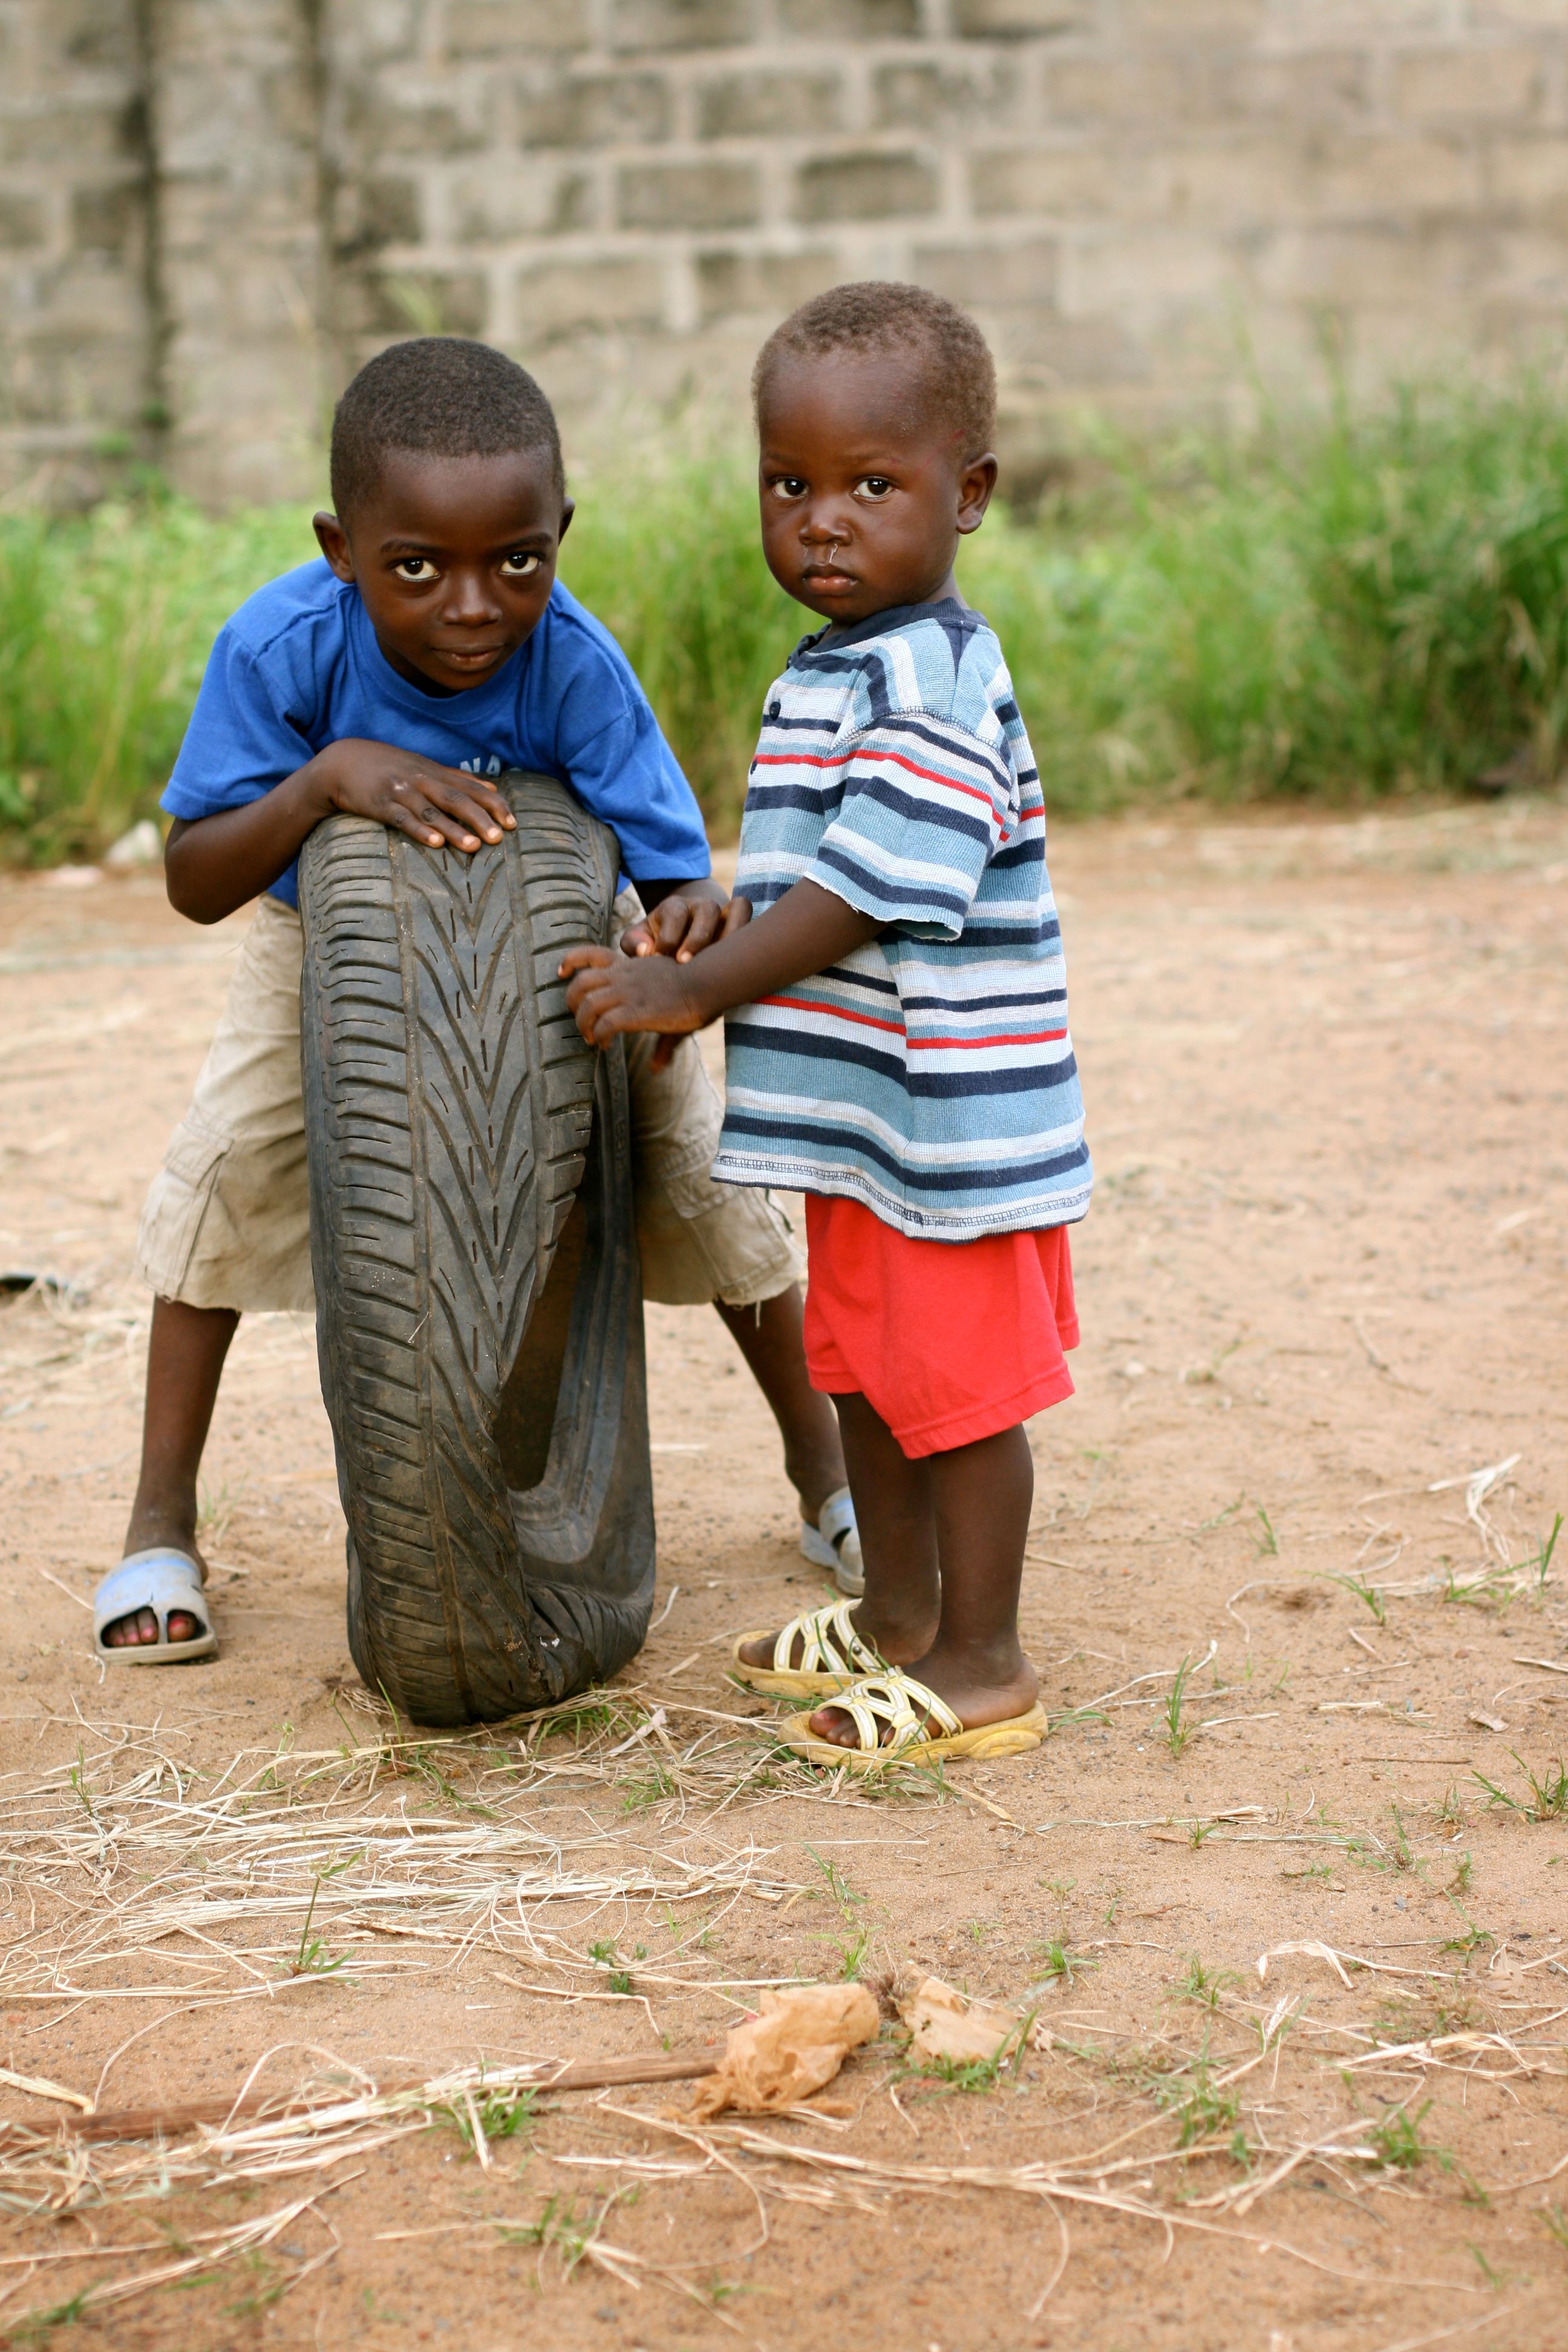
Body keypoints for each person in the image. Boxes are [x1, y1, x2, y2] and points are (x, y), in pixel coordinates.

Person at [95, 336, 861, 1665]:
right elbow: (193, 880)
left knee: (701, 1176)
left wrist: (680, 938)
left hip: (565, 948)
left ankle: (829, 1480)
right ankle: (160, 1522)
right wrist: (327, 775)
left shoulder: (571, 658)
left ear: (560, 535)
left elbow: (674, 869)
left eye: (518, 560)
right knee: (227, 1173)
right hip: (316, 959)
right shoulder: (282, 647)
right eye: (416, 568)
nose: (471, 607)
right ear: (341, 549)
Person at [561, 283, 1091, 1768]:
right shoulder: (839, 664)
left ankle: (983, 1659)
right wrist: (728, 914)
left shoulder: (934, 673)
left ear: (967, 494)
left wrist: (691, 990)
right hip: (869, 1128)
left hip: (950, 1129)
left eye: (873, 484)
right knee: (864, 1370)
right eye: (789, 485)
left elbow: (880, 881)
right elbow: (816, 878)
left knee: (961, 1398)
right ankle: (899, 1617)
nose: (823, 521)